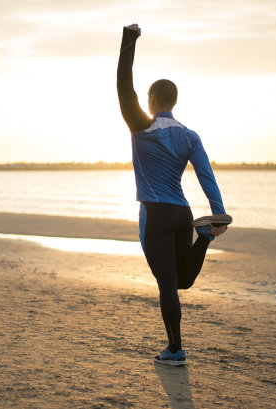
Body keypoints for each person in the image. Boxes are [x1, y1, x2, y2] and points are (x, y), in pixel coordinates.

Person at [117, 23, 231, 366]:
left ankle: (175, 349)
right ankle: (204, 238)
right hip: (182, 214)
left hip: (154, 214)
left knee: (168, 285)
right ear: (174, 101)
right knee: (181, 282)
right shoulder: (190, 135)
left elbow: (123, 83)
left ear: (151, 101)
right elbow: (205, 174)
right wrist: (218, 213)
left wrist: (128, 39)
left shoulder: (141, 125)